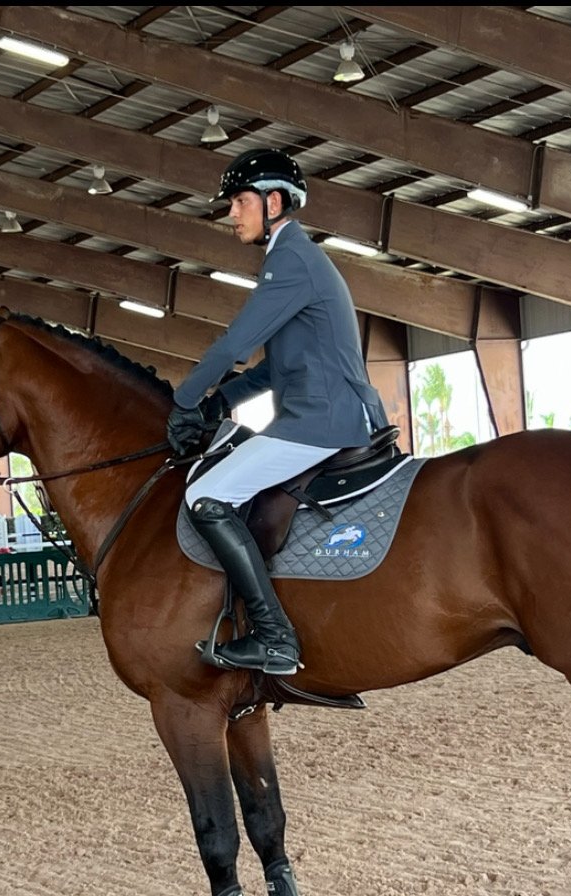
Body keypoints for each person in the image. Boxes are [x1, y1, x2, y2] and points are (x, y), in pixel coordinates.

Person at [165, 147, 388, 676]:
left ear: (273, 202)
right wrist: (221, 400)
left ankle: (274, 636)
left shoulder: (291, 260)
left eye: (239, 202)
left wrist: (183, 400)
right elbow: (275, 368)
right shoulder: (291, 258)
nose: (231, 214)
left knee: (205, 495)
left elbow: (233, 345)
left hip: (321, 420)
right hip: (319, 412)